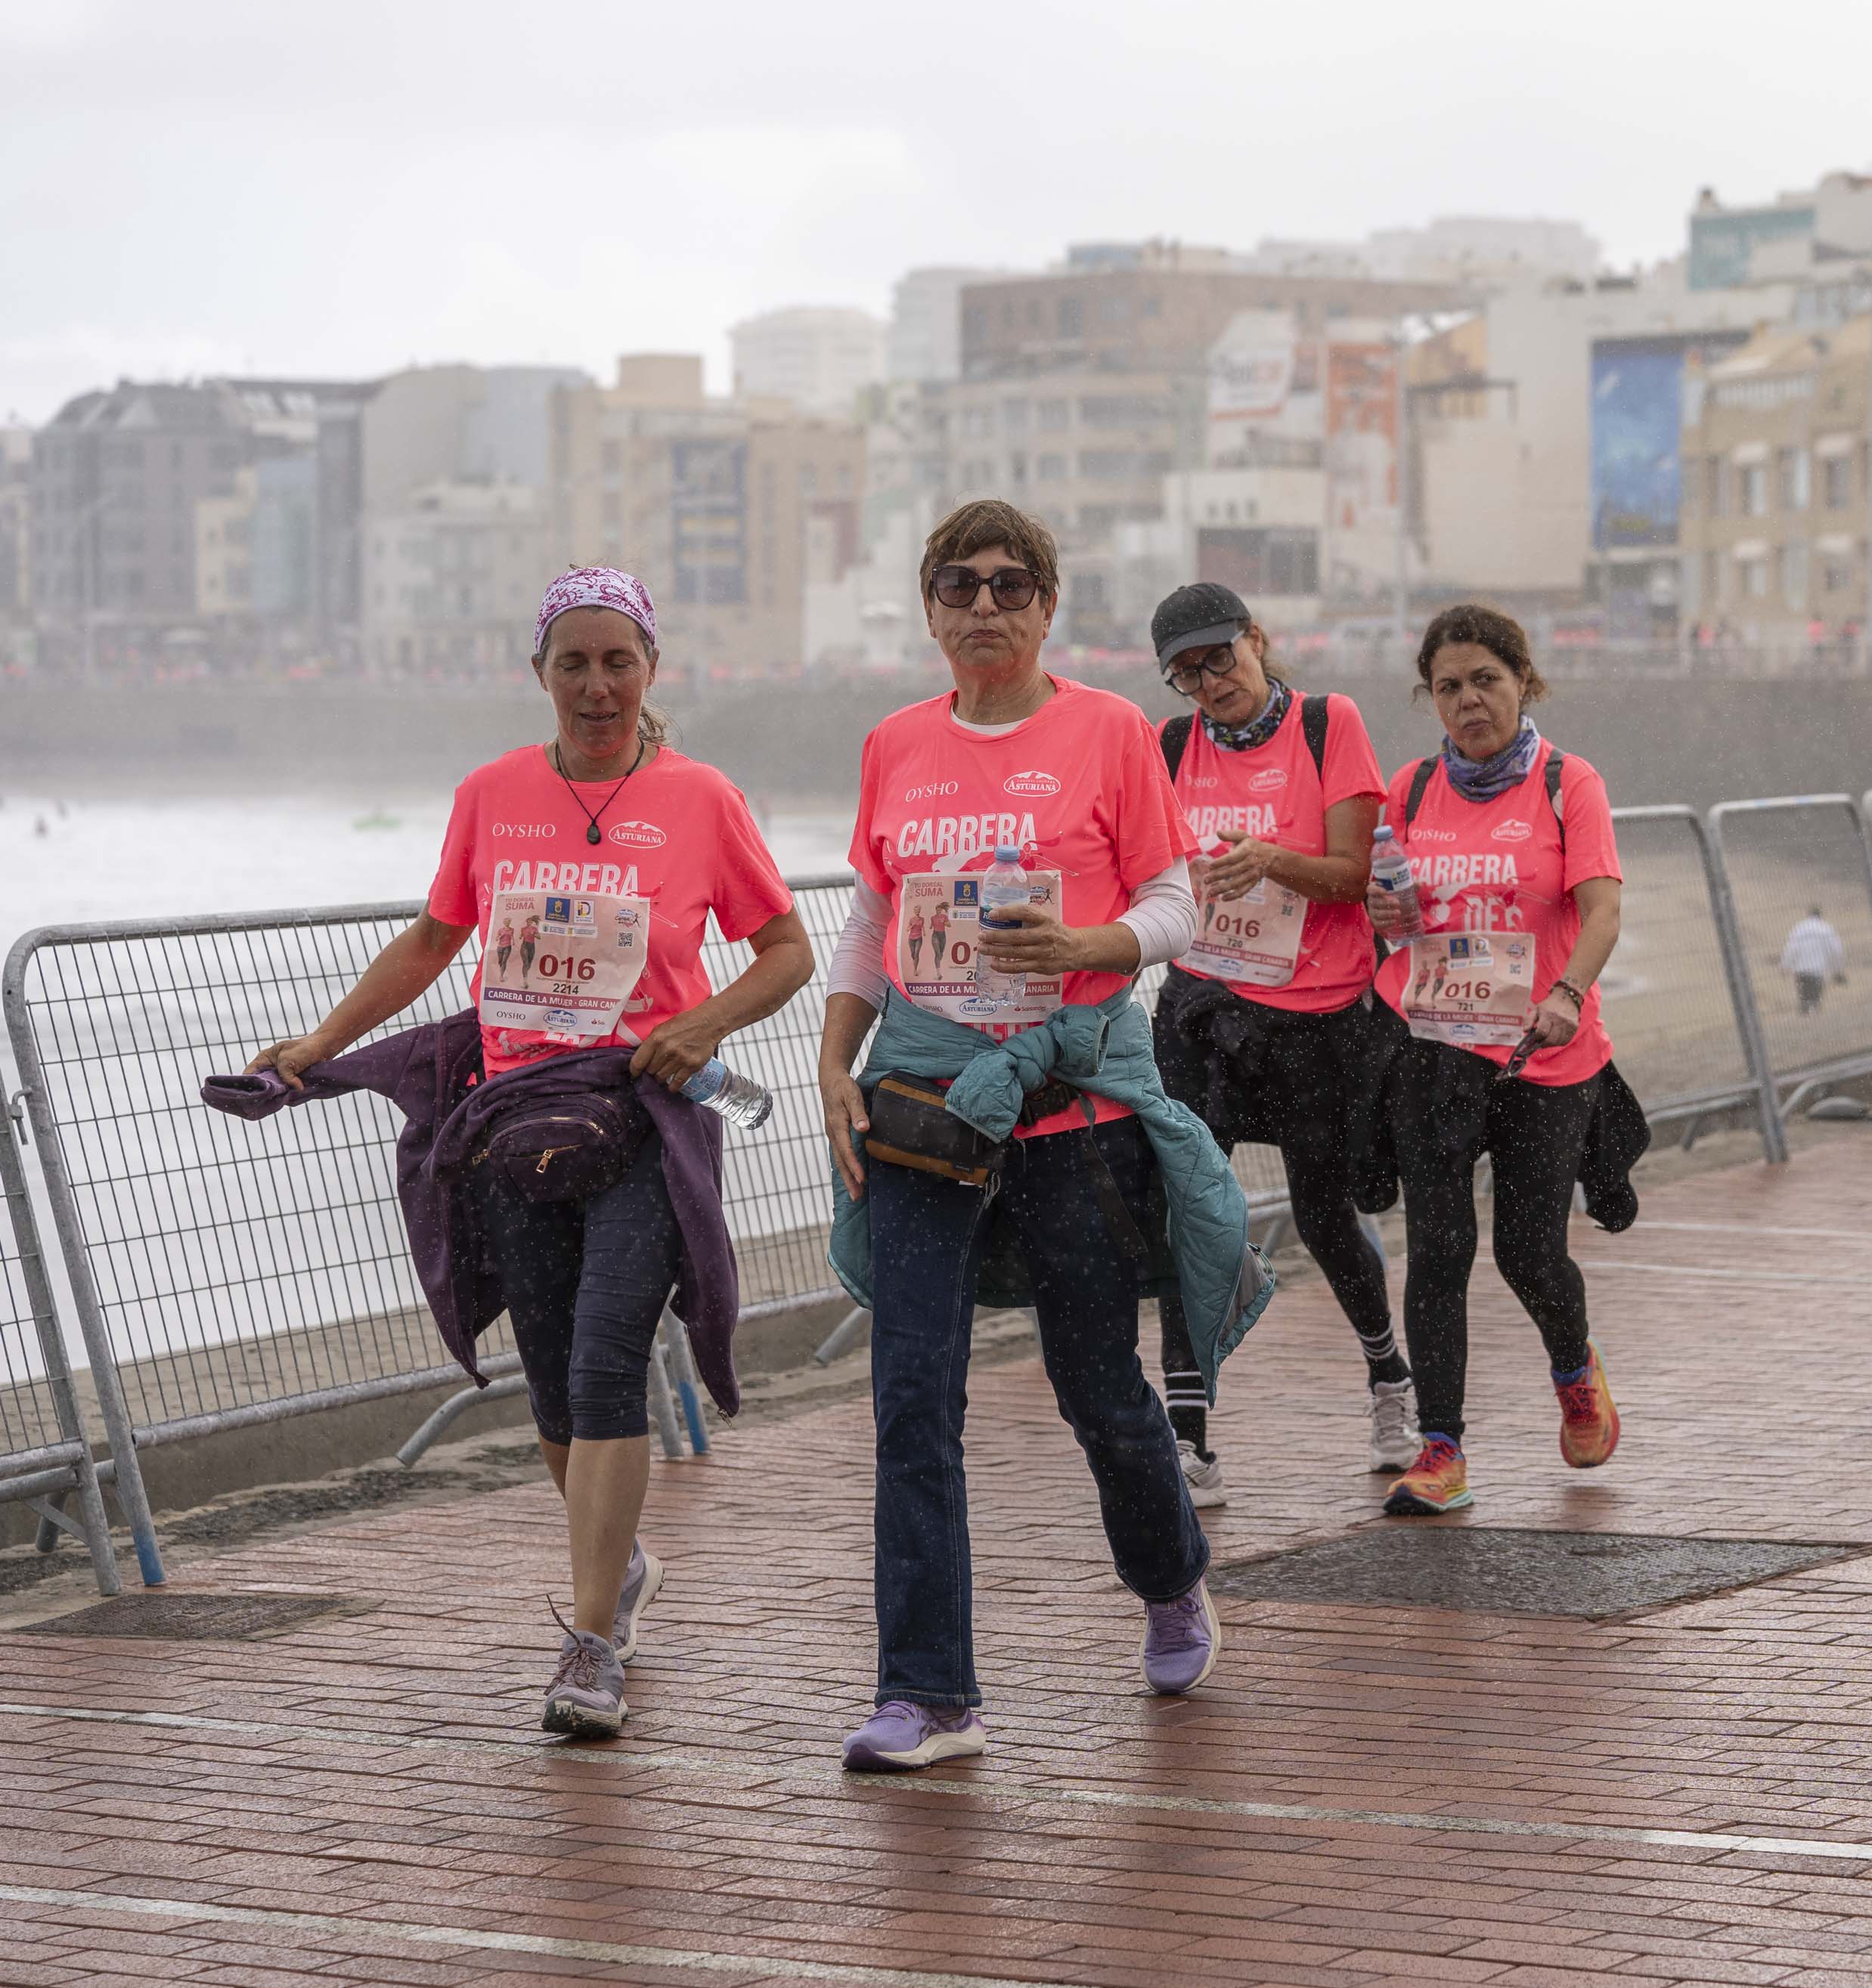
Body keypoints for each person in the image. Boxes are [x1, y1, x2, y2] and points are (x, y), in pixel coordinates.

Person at [239, 566, 812, 1739]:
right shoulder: (492, 794)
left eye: (618, 661)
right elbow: (430, 938)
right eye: (573, 663)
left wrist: (699, 1023)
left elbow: (788, 949)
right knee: (553, 1391)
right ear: (540, 672)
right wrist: (322, 1040)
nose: (597, 685)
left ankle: (590, 1640)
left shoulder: (703, 797)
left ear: (652, 668)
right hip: (515, 1125)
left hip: (647, 1118)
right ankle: (622, 1564)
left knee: (608, 1366)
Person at [815, 500, 1224, 1773]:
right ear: (929, 606)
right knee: (910, 1401)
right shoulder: (895, 743)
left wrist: (1093, 947)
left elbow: (1174, 899)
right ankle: (929, 1694)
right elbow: (874, 918)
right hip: (926, 1115)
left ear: (1049, 603)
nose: (983, 605)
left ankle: (1168, 1579)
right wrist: (833, 1056)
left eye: (1009, 584)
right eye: (958, 583)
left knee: (1098, 1389)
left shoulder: (1105, 730)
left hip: (1069, 1109)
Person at [1144, 580, 1413, 1505]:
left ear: (1257, 639)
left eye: (1218, 658)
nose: (1208, 682)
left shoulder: (1327, 725)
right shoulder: (1171, 746)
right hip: (1203, 1009)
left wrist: (1267, 860)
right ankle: (1189, 1436)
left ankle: (1389, 1379)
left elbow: (1348, 876)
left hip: (1317, 1017)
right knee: (1188, 1209)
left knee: (1323, 1215)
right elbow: (1143, 869)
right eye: (1186, 673)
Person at [1364, 604, 1626, 1516]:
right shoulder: (1407, 790)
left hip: (1543, 1056)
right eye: (1448, 687)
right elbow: (1388, 913)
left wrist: (1565, 997)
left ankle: (1573, 1366)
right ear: (1429, 699)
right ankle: (1442, 1451)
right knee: (1437, 1248)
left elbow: (1599, 910)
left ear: (1522, 681)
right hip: (1434, 1049)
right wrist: (1385, 916)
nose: (1468, 701)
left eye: (1485, 680)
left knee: (1527, 1252)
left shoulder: (1566, 782)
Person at [1780, 906, 1848, 1014]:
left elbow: (1791, 948)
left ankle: (1804, 1018)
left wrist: (1785, 966)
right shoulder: (1826, 929)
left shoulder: (1800, 928)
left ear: (1808, 915)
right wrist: (1837, 971)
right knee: (1815, 1001)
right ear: (1820, 916)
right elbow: (1836, 951)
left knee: (1804, 1000)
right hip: (1818, 971)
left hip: (1801, 971)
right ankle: (1813, 1020)